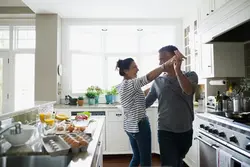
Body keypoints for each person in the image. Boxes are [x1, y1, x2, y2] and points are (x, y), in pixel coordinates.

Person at [116, 55, 184, 167]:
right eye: (134, 67)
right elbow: (147, 77)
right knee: (146, 161)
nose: (137, 69)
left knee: (137, 157)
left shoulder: (125, 85)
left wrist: (157, 84)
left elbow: (140, 94)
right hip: (140, 126)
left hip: (130, 126)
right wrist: (164, 66)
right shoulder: (131, 84)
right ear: (125, 71)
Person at [145, 45, 198, 167]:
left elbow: (188, 90)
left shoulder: (191, 75)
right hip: (165, 130)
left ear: (175, 58)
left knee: (178, 159)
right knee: (169, 163)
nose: (160, 62)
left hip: (186, 130)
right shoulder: (158, 81)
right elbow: (146, 103)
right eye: (160, 59)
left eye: (163, 59)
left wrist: (177, 70)